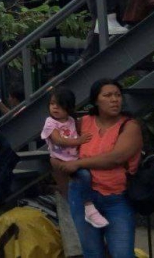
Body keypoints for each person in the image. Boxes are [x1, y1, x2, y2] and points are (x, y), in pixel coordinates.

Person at [52, 79, 142, 258]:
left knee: (122, 253)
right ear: (95, 100)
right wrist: (66, 187)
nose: (114, 99)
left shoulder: (130, 126)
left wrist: (78, 164)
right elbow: (60, 153)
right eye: (107, 95)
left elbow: (116, 158)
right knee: (92, 253)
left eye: (117, 95)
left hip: (117, 199)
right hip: (82, 197)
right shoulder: (83, 123)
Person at [41, 87, 107, 228]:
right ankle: (88, 207)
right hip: (60, 158)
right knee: (81, 178)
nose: (55, 108)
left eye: (60, 105)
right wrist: (79, 141)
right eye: (52, 104)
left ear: (69, 107)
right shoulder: (50, 122)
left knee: (85, 178)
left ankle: (85, 208)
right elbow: (58, 140)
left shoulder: (71, 120)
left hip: (74, 158)